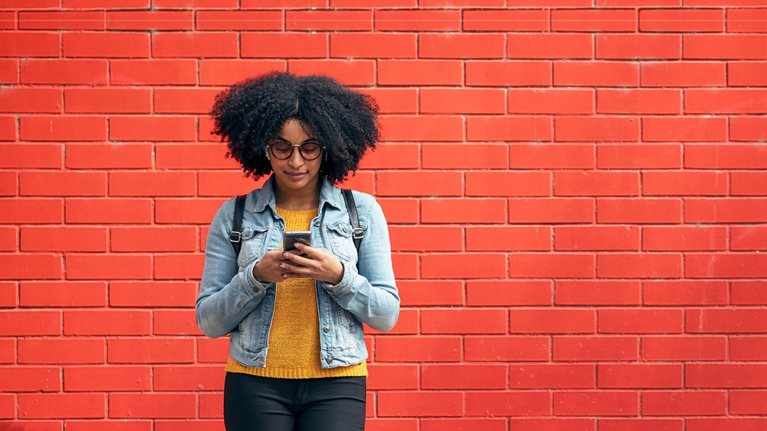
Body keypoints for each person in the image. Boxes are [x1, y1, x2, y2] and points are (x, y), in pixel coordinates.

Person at [196, 71, 400, 431]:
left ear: (329, 147)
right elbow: (209, 322)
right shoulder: (234, 216)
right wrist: (256, 277)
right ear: (262, 147)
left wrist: (338, 276)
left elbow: (386, 315)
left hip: (338, 382)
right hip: (254, 383)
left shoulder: (362, 213)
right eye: (281, 147)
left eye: (309, 148)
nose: (295, 162)